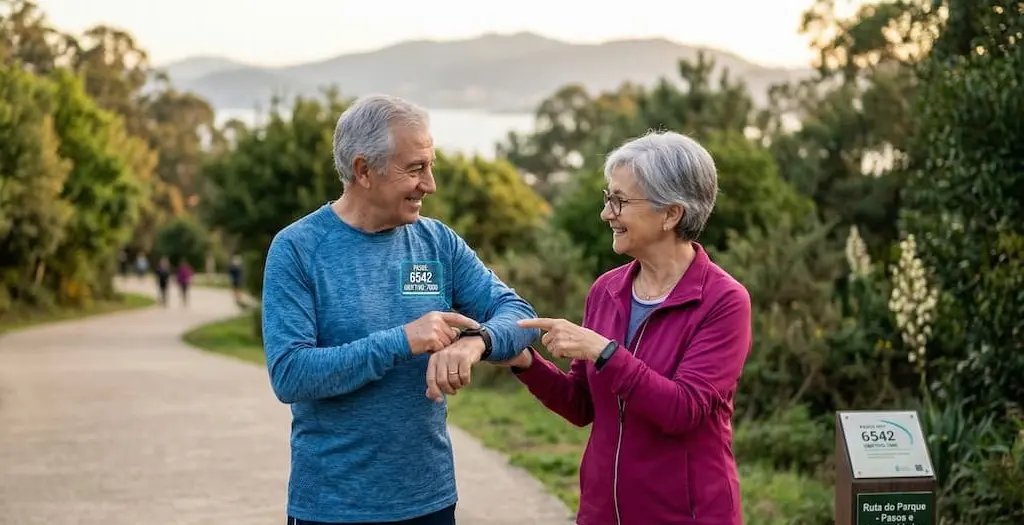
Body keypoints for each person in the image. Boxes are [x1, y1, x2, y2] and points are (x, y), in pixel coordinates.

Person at [260, 94, 539, 525]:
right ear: (363, 171)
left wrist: (476, 344)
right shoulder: (297, 249)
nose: (430, 184)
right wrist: (402, 340)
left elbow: (518, 314)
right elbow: (290, 374)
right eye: (415, 169)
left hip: (429, 501)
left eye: (429, 166)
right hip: (333, 506)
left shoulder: (437, 242)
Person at [507, 131, 753, 525]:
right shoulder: (606, 290)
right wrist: (523, 362)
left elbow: (682, 410)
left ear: (671, 214)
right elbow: (582, 405)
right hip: (602, 515)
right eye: (608, 198)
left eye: (619, 201)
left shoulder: (724, 301)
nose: (607, 213)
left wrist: (603, 352)